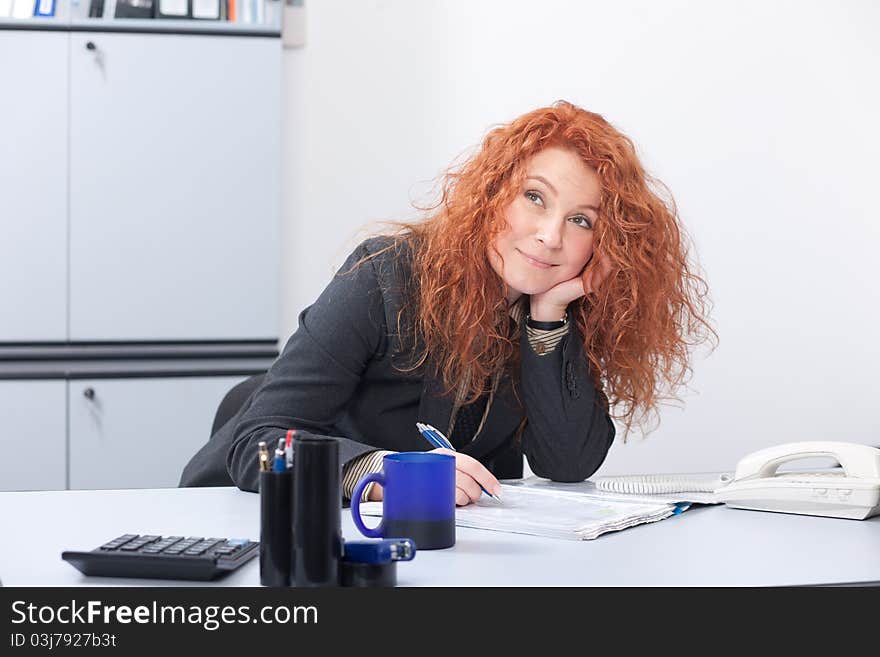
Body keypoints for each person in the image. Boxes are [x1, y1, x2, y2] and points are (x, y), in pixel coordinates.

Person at [180, 100, 715, 506]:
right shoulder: (386, 274)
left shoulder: (555, 312)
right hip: (264, 524)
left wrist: (549, 320)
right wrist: (378, 472)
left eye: (582, 221)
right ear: (492, 196)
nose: (551, 235)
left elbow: (568, 462)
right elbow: (260, 442)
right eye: (535, 198)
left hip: (436, 556)